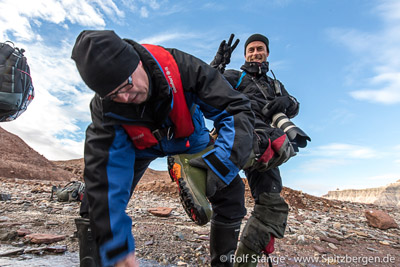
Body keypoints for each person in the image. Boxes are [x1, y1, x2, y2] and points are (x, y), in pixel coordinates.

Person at [71, 30, 255, 267]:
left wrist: (220, 165)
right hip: (142, 147)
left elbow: (235, 109)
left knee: (231, 195)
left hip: (190, 140)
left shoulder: (182, 67)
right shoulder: (106, 109)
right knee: (95, 207)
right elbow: (104, 178)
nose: (125, 98)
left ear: (136, 61)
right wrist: (118, 250)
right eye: (113, 94)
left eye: (126, 84)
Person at [210, 33, 300, 266]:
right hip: (241, 134)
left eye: (259, 48)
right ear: (245, 55)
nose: (255, 53)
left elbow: (295, 106)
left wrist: (285, 103)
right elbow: (207, 83)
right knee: (229, 199)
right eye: (250, 50)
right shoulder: (236, 77)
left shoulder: (275, 85)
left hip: (267, 143)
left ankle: (243, 263)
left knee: (272, 207)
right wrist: (219, 62)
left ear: (267, 53)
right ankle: (199, 169)